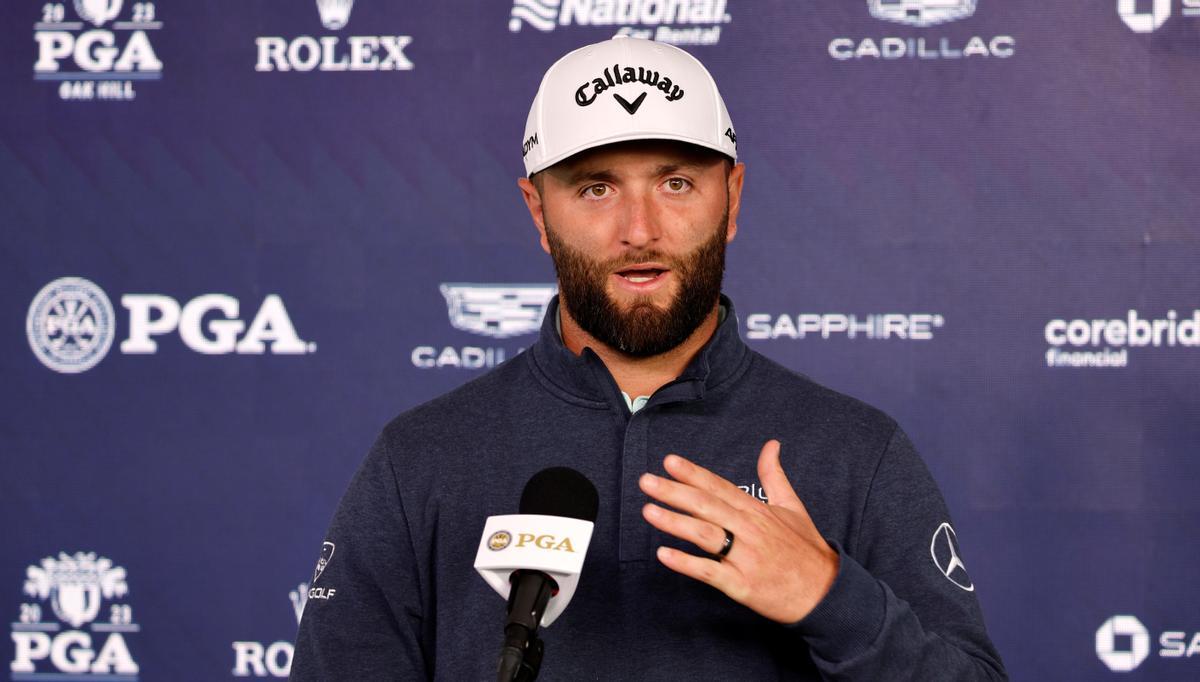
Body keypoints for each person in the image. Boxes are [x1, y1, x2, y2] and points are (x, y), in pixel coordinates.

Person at [291, 37, 1007, 680]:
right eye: (596, 188)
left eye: (676, 183)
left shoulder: (855, 450)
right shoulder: (422, 458)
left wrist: (829, 597)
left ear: (732, 198)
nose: (640, 230)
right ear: (539, 213)